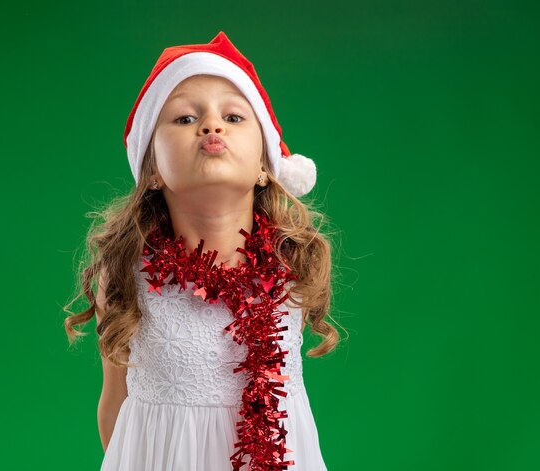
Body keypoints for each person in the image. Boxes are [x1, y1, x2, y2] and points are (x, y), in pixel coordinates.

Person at [64, 31, 344, 471]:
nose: (212, 126)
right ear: (151, 169)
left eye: (233, 117)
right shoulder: (126, 274)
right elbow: (115, 405)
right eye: (183, 118)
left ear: (266, 167)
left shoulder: (290, 264)